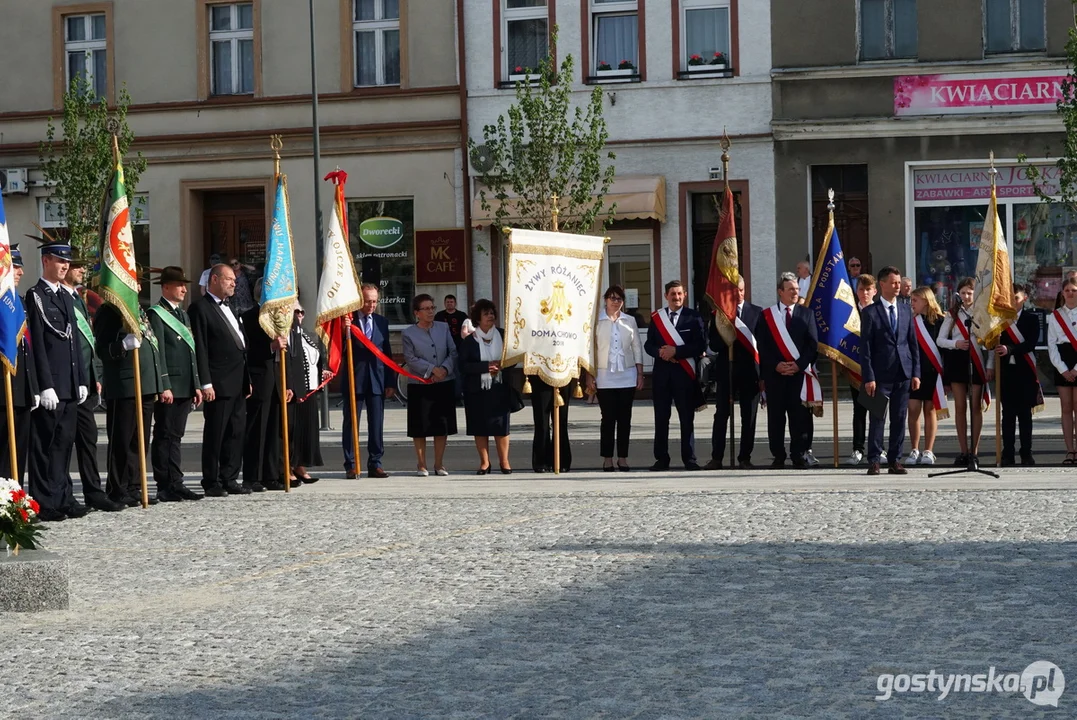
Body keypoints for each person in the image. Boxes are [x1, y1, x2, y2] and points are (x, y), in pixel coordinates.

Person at [25, 238, 89, 521]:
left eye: (67, 261)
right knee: (44, 446)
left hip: (70, 384)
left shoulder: (66, 296)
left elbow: (75, 342)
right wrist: (44, 384)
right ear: (46, 261)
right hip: (52, 385)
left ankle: (63, 496)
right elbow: (37, 344)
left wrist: (82, 379)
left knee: (64, 443)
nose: (65, 265)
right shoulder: (35, 295)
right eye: (60, 260)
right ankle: (44, 501)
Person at [95, 279, 172, 507]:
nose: (138, 288)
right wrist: (122, 346)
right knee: (121, 439)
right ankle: (117, 488)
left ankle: (135, 486)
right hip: (125, 386)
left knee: (140, 441)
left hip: (145, 385)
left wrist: (157, 382)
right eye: (133, 283)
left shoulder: (138, 309)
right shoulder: (109, 311)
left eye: (138, 284)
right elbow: (102, 349)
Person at [61, 257, 124, 512]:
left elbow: (88, 343)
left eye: (80, 267)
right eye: (76, 266)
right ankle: (63, 493)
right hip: (66, 382)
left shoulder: (79, 298)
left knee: (88, 440)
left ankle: (93, 491)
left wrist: (94, 377)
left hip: (86, 382)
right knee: (63, 442)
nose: (81, 271)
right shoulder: (57, 297)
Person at [190, 263, 251, 497]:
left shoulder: (232, 307)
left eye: (234, 279)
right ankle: (211, 479)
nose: (233, 283)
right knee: (216, 433)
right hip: (218, 381)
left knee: (236, 432)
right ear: (214, 280)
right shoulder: (200, 309)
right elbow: (201, 348)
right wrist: (205, 382)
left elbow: (240, 345)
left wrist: (247, 379)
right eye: (228, 279)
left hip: (237, 381)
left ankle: (230, 477)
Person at [148, 267, 205, 502]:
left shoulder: (182, 315)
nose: (184, 289)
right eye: (179, 284)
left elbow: (191, 353)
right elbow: (158, 351)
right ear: (165, 287)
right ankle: (165, 484)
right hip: (171, 385)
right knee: (165, 434)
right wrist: (164, 384)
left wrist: (197, 384)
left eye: (184, 284)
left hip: (185, 385)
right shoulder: (156, 314)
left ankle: (176, 481)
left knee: (176, 435)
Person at [860, 266, 920, 475]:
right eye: (893, 283)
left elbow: (912, 343)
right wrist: (869, 377)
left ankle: (895, 459)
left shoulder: (905, 309)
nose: (898, 286)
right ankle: (875, 459)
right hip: (880, 374)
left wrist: (915, 373)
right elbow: (866, 348)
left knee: (899, 417)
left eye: (899, 282)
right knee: (877, 418)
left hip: (903, 372)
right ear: (882, 284)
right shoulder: (870, 312)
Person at [757, 272, 818, 469]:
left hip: (798, 375)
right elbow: (762, 346)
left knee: (798, 416)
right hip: (775, 375)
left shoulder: (806, 314)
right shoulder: (766, 316)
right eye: (791, 289)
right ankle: (778, 455)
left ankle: (798, 454)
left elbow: (812, 345)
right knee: (776, 418)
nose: (795, 292)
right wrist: (776, 364)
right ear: (780, 292)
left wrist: (798, 365)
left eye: (797, 289)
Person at [645, 279, 706, 471]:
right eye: (673, 294)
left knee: (687, 418)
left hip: (684, 376)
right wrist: (660, 352)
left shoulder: (694, 318)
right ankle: (661, 459)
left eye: (680, 293)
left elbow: (701, 345)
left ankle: (690, 458)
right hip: (662, 376)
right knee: (661, 418)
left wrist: (676, 352)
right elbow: (649, 344)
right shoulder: (657, 318)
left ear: (684, 295)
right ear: (666, 296)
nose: (676, 297)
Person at [241, 291, 296, 492]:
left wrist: (288, 383)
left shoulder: (282, 316)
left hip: (278, 380)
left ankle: (271, 475)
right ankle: (253, 476)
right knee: (258, 429)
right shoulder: (250, 317)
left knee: (275, 430)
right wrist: (271, 347)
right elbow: (247, 350)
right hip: (260, 379)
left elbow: (287, 354)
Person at [704, 278, 761, 470]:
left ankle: (745, 456)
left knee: (749, 416)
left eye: (742, 290)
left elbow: (761, 347)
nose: (739, 293)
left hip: (750, 373)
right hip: (726, 370)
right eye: (735, 290)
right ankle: (717, 457)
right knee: (721, 415)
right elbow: (712, 345)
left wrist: (762, 376)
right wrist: (727, 336)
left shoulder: (757, 313)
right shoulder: (719, 314)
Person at [587, 285, 644, 472]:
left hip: (627, 375)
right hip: (605, 376)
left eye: (619, 299)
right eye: (612, 298)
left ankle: (623, 457)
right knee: (608, 419)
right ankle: (607, 458)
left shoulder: (630, 320)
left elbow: (637, 347)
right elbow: (591, 350)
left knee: (625, 419)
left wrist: (640, 373)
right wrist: (589, 375)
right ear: (605, 300)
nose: (615, 302)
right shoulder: (597, 321)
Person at [938, 277, 994, 466]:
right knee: (960, 407)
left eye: (969, 293)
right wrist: (956, 343)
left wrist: (990, 365)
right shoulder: (952, 314)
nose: (966, 296)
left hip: (976, 361)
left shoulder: (982, 313)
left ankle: (974, 451)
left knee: (975, 407)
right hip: (957, 360)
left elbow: (991, 343)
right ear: (958, 294)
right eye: (963, 293)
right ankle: (963, 450)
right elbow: (940, 340)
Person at [341, 283, 395, 479]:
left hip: (377, 380)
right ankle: (351, 464)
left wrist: (390, 382)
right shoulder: (348, 321)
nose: (371, 305)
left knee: (376, 424)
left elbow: (387, 353)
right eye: (367, 301)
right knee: (351, 424)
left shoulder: (382, 322)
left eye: (374, 301)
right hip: (355, 378)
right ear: (359, 300)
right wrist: (344, 331)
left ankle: (375, 463)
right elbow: (339, 350)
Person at [402, 294, 458, 476]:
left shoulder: (443, 327)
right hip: (420, 384)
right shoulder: (408, 333)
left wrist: (444, 369)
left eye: (432, 307)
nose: (430, 312)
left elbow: (453, 351)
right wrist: (432, 369)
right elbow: (410, 359)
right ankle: (421, 464)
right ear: (417, 313)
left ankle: (439, 464)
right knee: (421, 426)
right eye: (426, 309)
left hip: (443, 381)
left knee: (442, 425)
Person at [460, 298, 513, 474]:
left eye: (492, 313)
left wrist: (502, 364)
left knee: (501, 426)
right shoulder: (470, 340)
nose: (490, 316)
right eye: (486, 313)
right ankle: (484, 462)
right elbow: (463, 366)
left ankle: (504, 462)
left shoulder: (503, 334)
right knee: (479, 427)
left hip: (499, 387)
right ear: (478, 318)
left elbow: (513, 357)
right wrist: (485, 367)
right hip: (477, 389)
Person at [0, 245, 38, 487]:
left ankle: (16, 501)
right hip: (2, 393)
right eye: (15, 266)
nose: (21, 272)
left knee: (19, 452)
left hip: (21, 390)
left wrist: (33, 386)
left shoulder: (20, 302)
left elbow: (28, 348)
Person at [997, 283, 1041, 466]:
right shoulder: (1000, 319)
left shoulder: (1031, 319)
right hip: (1007, 372)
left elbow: (1031, 344)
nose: (1013, 301)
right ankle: (1008, 453)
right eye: (1010, 297)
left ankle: (1026, 452)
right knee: (1007, 416)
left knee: (1024, 416)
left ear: (1024, 298)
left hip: (1025, 371)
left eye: (1016, 297)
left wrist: (1011, 349)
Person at [906, 286, 947, 466]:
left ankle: (928, 450)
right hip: (914, 372)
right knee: (913, 409)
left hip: (933, 372)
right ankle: (914, 449)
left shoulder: (941, 321)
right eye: (911, 300)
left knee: (930, 411)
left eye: (915, 300)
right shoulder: (909, 320)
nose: (912, 303)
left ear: (926, 301)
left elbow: (944, 350)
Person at [289, 303, 328, 482]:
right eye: (296, 311)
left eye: (302, 312)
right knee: (294, 431)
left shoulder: (305, 334)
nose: (299, 315)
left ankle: (300, 464)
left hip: (311, 389)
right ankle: (289, 465)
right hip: (297, 390)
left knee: (308, 430)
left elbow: (313, 359)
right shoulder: (288, 333)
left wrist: (322, 372)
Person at [846, 273, 877, 466]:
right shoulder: (851, 313)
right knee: (859, 412)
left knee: (877, 411)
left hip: (877, 368)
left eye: (868, 290)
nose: (864, 293)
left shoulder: (879, 311)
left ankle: (877, 448)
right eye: (861, 290)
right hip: (856, 367)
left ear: (874, 291)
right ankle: (858, 449)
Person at [1050, 277, 1077, 463]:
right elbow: (1051, 344)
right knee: (1066, 407)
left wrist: (1076, 369)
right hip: (1062, 360)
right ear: (1062, 293)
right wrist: (1063, 369)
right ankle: (1070, 450)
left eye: (1074, 290)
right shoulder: (1055, 315)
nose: (1070, 293)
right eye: (1067, 290)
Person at [435, 294, 469, 404]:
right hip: (442, 347)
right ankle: (445, 396)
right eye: (447, 302)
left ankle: (457, 396)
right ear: (444, 303)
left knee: (457, 372)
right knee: (444, 371)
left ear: (455, 303)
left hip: (458, 347)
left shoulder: (462, 315)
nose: (449, 304)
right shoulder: (439, 316)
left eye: (451, 302)